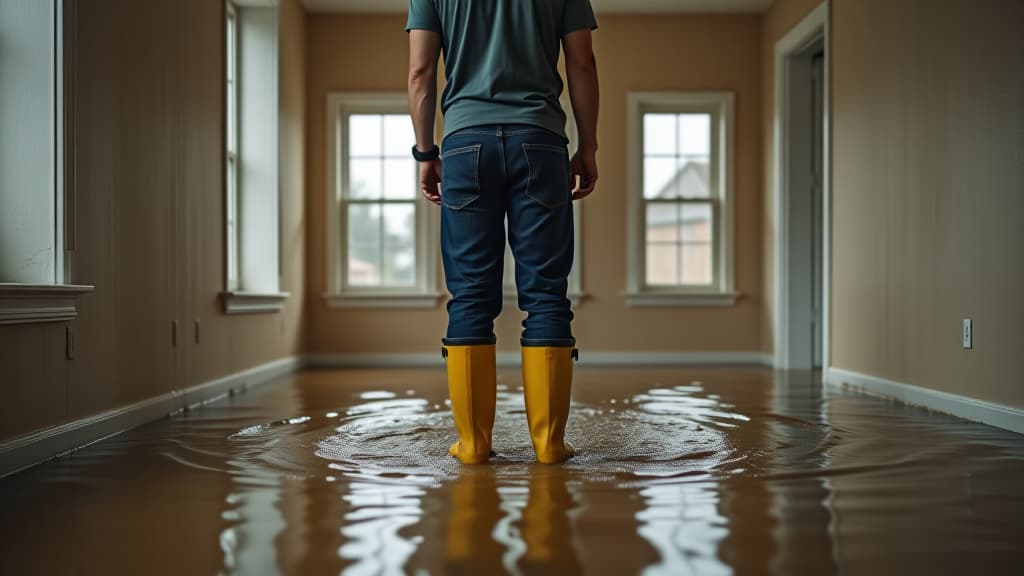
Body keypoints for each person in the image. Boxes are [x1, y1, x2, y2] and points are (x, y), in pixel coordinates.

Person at [407, 0, 599, 465]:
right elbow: (582, 61)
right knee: (547, 295)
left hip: (465, 142)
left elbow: (420, 72)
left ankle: (473, 446)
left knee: (471, 295)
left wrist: (425, 151)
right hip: (540, 139)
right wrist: (588, 145)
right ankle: (549, 445)